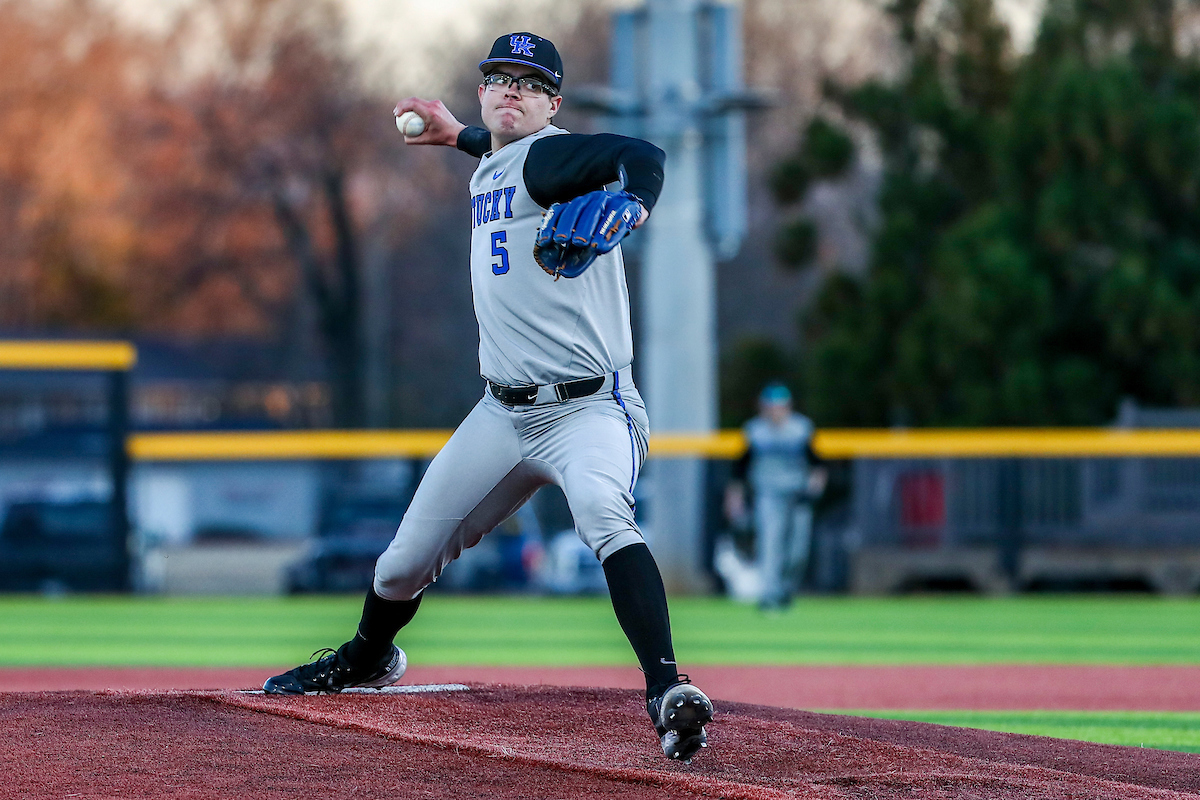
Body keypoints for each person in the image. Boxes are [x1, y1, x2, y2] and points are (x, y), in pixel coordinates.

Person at [263, 32, 714, 764]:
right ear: (481, 92)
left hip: (588, 409)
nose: (512, 90)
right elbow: (502, 151)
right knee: (400, 568)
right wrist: (457, 136)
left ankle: (667, 690)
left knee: (603, 514)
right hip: (502, 414)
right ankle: (368, 658)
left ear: (554, 104)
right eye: (499, 78)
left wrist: (631, 201)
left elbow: (645, 155)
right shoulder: (499, 158)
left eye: (530, 84)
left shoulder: (547, 155)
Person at [724, 382, 827, 610]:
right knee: (770, 544)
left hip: (798, 495)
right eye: (770, 406)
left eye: (779, 406)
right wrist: (734, 497)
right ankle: (770, 595)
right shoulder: (755, 431)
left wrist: (813, 491)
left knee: (798, 549)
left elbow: (818, 465)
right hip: (768, 495)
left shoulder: (801, 429)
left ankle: (785, 589)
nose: (775, 411)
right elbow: (739, 469)